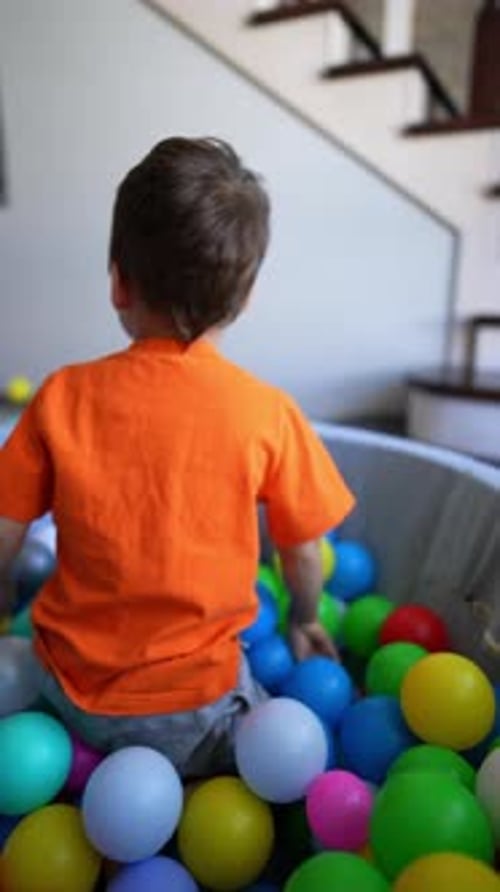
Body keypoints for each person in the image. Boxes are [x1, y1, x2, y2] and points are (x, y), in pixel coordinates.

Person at [0, 137, 354, 775]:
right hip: (194, 712)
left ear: (117, 283)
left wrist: (4, 598)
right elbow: (302, 549)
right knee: (292, 754)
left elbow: (3, 529)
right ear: (244, 298)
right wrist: (303, 617)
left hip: (64, 690)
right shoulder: (266, 411)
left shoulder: (61, 395)